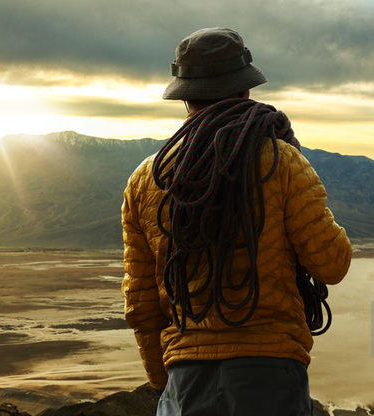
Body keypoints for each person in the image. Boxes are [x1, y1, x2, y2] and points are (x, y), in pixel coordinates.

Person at [121, 27, 352, 416]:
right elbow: (332, 264)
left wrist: (167, 383)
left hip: (184, 376)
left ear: (185, 98)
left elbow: (142, 304)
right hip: (271, 373)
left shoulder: (147, 180)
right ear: (245, 91)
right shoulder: (281, 161)